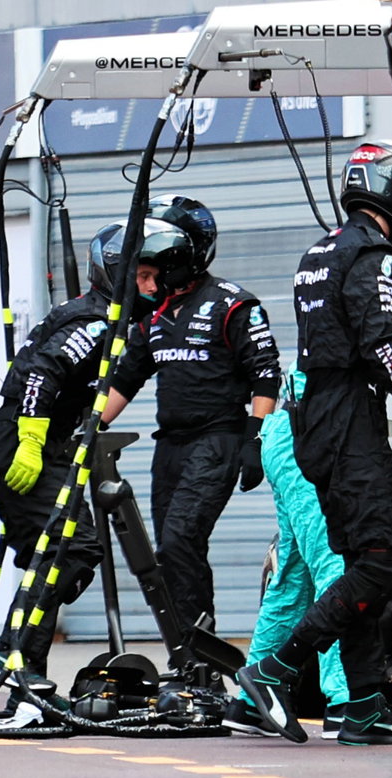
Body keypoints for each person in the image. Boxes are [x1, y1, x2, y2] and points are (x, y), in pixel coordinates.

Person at [237, 140, 392, 747]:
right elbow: (382, 341)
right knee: (383, 561)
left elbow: (361, 317)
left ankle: (365, 708)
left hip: (314, 421)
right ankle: (274, 671)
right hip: (348, 420)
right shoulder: (370, 254)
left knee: (365, 566)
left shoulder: (322, 251)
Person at [0, 219, 191, 690]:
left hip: (38, 441)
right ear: (115, 271)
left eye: (156, 279)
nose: (153, 288)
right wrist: (30, 442)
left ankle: (24, 677)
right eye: (144, 278)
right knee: (73, 547)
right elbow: (43, 372)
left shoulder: (111, 320)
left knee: (59, 555)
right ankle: (8, 655)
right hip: (20, 441)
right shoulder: (95, 321)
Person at [103, 194, 281, 635]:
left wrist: (254, 439)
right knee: (168, 550)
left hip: (217, 440)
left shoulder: (233, 304)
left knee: (182, 536)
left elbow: (266, 376)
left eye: (154, 265)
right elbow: (124, 382)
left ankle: (199, 648)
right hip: (170, 446)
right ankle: (186, 653)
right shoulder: (152, 314)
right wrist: (85, 429)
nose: (147, 279)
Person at [223, 368, 350, 739]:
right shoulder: (365, 317)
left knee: (293, 578)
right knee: (335, 565)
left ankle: (249, 706)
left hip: (289, 434)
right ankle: (345, 701)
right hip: (309, 435)